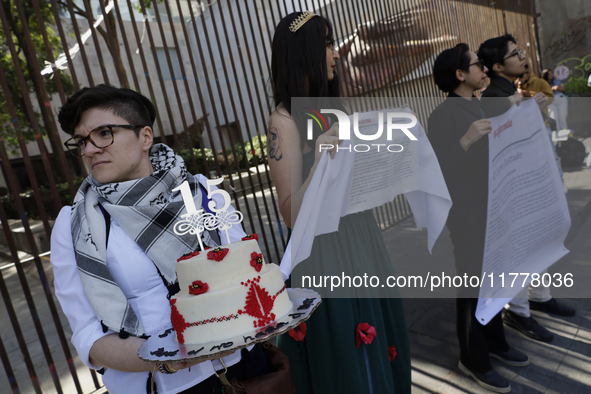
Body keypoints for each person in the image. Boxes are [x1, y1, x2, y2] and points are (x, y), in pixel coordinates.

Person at [51, 85, 270, 394]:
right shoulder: (74, 224)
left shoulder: (200, 192)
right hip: (161, 385)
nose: (89, 150)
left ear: (145, 136)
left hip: (244, 370)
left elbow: (249, 276)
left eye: (104, 133)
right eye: (82, 141)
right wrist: (170, 359)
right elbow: (89, 337)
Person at [267, 11, 411, 393]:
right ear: (305, 52)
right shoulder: (283, 121)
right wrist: (323, 162)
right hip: (325, 252)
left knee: (376, 344)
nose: (336, 53)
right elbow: (293, 214)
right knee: (347, 358)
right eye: (328, 43)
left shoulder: (332, 110)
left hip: (363, 238)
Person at [428, 43, 529, 393]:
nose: (484, 69)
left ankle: (496, 344)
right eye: (477, 65)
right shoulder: (443, 115)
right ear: (460, 74)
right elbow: (437, 174)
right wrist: (466, 142)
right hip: (468, 216)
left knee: (495, 282)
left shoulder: (478, 105)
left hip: (493, 210)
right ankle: (473, 359)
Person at [478, 35, 575, 344]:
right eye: (515, 53)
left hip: (534, 180)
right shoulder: (495, 96)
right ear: (496, 66)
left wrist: (535, 105)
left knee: (540, 235)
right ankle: (519, 310)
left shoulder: (514, 90)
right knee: (520, 244)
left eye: (520, 51)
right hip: (516, 189)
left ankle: (539, 296)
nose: (522, 56)